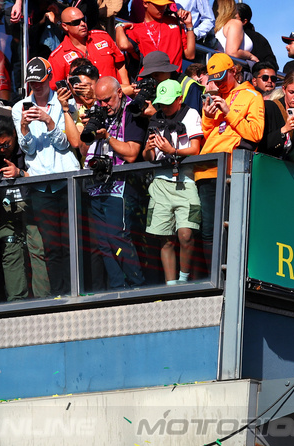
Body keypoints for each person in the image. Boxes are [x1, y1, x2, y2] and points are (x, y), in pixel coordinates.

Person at [15, 58, 79, 297]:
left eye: (40, 81)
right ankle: (61, 294)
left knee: (72, 242)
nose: (36, 87)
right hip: (41, 185)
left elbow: (66, 145)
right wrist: (23, 128)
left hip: (68, 180)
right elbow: (28, 150)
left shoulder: (64, 102)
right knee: (51, 246)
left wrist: (50, 121)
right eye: (32, 83)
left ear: (49, 77)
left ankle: (78, 289)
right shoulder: (18, 107)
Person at [81, 76, 147, 290]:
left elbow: (132, 153)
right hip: (97, 184)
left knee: (118, 237)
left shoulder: (132, 112)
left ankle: (136, 285)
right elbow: (82, 152)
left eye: (107, 100)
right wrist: (88, 131)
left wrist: (108, 137)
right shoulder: (99, 113)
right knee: (103, 242)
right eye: (100, 101)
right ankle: (118, 287)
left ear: (120, 92)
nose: (104, 105)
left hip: (121, 185)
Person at [196, 53, 263, 240]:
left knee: (225, 231)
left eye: (222, 78)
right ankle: (208, 270)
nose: (219, 85)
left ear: (234, 71)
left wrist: (228, 112)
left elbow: (256, 133)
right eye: (215, 81)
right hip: (205, 169)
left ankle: (222, 270)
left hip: (230, 172)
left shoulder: (252, 96)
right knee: (206, 232)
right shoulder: (215, 97)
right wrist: (208, 119)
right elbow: (208, 137)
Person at [143, 79, 203, 284]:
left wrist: (173, 151)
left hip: (185, 180)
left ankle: (184, 279)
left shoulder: (191, 114)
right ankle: (170, 286)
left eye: (169, 102)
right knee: (165, 238)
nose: (164, 107)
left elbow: (196, 149)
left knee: (186, 234)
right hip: (160, 182)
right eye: (161, 103)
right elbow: (148, 157)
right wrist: (149, 148)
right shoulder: (155, 119)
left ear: (180, 98)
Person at [0, 118, 45, 300]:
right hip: (4, 206)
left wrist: (20, 173)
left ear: (14, 134)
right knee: (10, 249)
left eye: (5, 144)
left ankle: (44, 300)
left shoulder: (27, 136)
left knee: (37, 248)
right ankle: (17, 301)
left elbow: (45, 172)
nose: (1, 150)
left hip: (33, 203)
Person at [47, 5, 129, 92]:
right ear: (65, 26)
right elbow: (53, 88)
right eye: (76, 22)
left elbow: (120, 64)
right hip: (85, 103)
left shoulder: (103, 37)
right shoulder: (58, 56)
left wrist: (127, 89)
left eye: (84, 19)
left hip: (115, 98)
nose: (82, 24)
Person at [256, 69, 294, 165]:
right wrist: (284, 130)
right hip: (264, 165)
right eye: (291, 92)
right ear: (284, 90)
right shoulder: (269, 108)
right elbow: (262, 145)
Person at [113, 0, 196, 69]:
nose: (162, 8)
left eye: (164, 5)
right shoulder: (135, 29)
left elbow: (190, 55)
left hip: (174, 81)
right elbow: (123, 46)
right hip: (149, 83)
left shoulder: (174, 22)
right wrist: (119, 26)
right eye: (158, 5)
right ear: (145, 4)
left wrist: (189, 25)